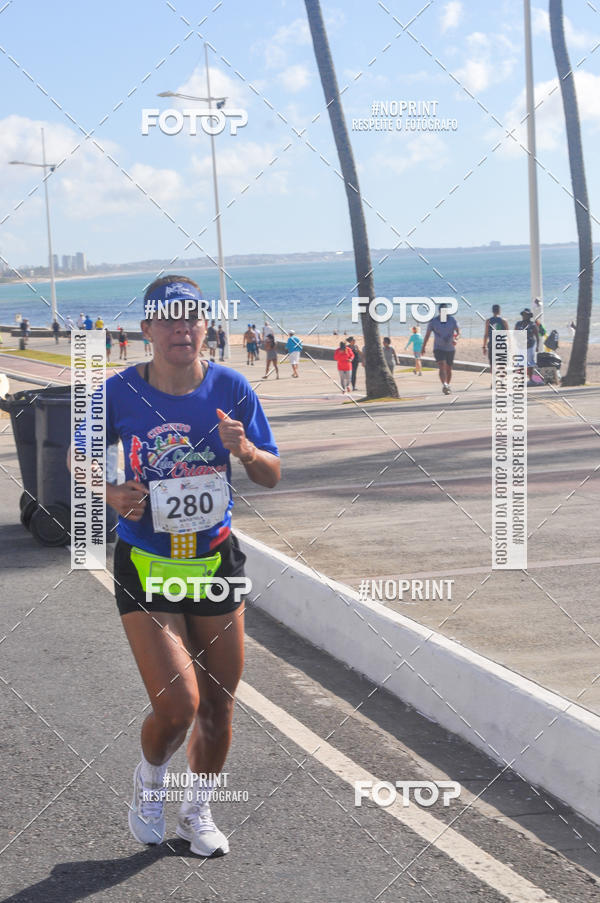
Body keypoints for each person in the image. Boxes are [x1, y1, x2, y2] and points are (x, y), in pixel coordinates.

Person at [71, 275, 280, 858]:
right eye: (168, 319)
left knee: (218, 703)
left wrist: (246, 451)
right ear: (148, 330)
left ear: (206, 326)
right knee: (178, 706)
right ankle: (150, 778)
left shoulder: (231, 387)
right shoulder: (115, 392)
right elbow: (77, 456)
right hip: (149, 560)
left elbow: (270, 472)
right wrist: (111, 490)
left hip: (211, 558)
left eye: (192, 318)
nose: (181, 329)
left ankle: (197, 812)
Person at [422, 303, 460, 395]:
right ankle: (445, 384)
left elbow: (458, 332)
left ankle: (447, 385)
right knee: (442, 366)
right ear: (439, 312)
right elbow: (427, 335)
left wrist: (456, 339)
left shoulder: (452, 320)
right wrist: (423, 347)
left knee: (449, 369)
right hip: (438, 348)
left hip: (450, 348)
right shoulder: (433, 322)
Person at [482, 305, 509, 374]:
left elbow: (486, 335)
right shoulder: (504, 321)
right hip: (502, 344)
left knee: (493, 364)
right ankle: (502, 381)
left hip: (492, 344)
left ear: (492, 311)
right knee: (502, 364)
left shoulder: (488, 321)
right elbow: (508, 334)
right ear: (499, 311)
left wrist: (484, 346)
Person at [515, 308, 539, 382]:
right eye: (523, 314)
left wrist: (537, 346)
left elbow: (537, 336)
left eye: (526, 315)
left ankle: (531, 378)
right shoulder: (518, 324)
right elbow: (514, 334)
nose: (524, 316)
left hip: (530, 346)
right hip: (520, 346)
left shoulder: (532, 324)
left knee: (530, 362)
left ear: (529, 316)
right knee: (520, 363)